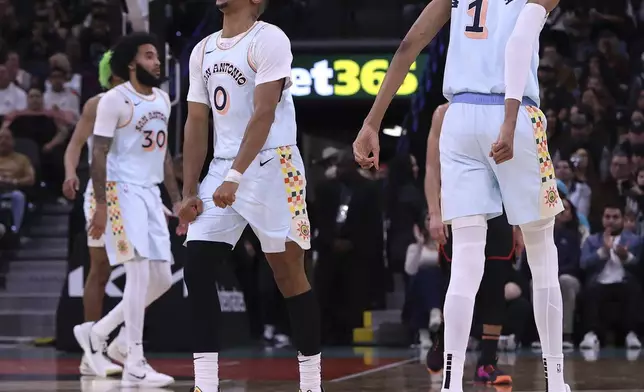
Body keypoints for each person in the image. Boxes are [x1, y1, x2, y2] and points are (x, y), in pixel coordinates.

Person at [352, 1, 569, 392]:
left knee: (466, 261)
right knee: (542, 256)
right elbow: (519, 40)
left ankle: (451, 382)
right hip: (512, 111)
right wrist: (508, 117)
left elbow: (408, 45)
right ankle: (556, 383)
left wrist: (372, 122)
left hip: (458, 117)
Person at [178, 1, 322, 391]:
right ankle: (205, 384)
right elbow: (196, 119)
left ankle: (311, 383)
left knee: (288, 274)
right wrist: (190, 191)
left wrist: (236, 177)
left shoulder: (270, 38)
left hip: (275, 163)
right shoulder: (203, 48)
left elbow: (264, 113)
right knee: (197, 265)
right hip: (223, 165)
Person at [72, 32, 179, 388]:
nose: (157, 62)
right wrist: (101, 205)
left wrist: (175, 199)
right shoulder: (112, 101)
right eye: (149, 56)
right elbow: (98, 155)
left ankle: (102, 335)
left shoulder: (163, 99)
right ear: (131, 63)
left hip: (148, 193)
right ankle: (134, 358)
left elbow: (162, 156)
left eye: (157, 56)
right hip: (119, 191)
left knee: (162, 278)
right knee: (136, 273)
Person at [424, 104, 514, 386]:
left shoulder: (505, 108)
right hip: (460, 205)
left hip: (499, 207)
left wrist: (520, 222)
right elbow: (431, 167)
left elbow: (514, 171)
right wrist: (435, 213)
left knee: (495, 287)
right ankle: (444, 342)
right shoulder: (443, 113)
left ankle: (487, 362)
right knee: (459, 284)